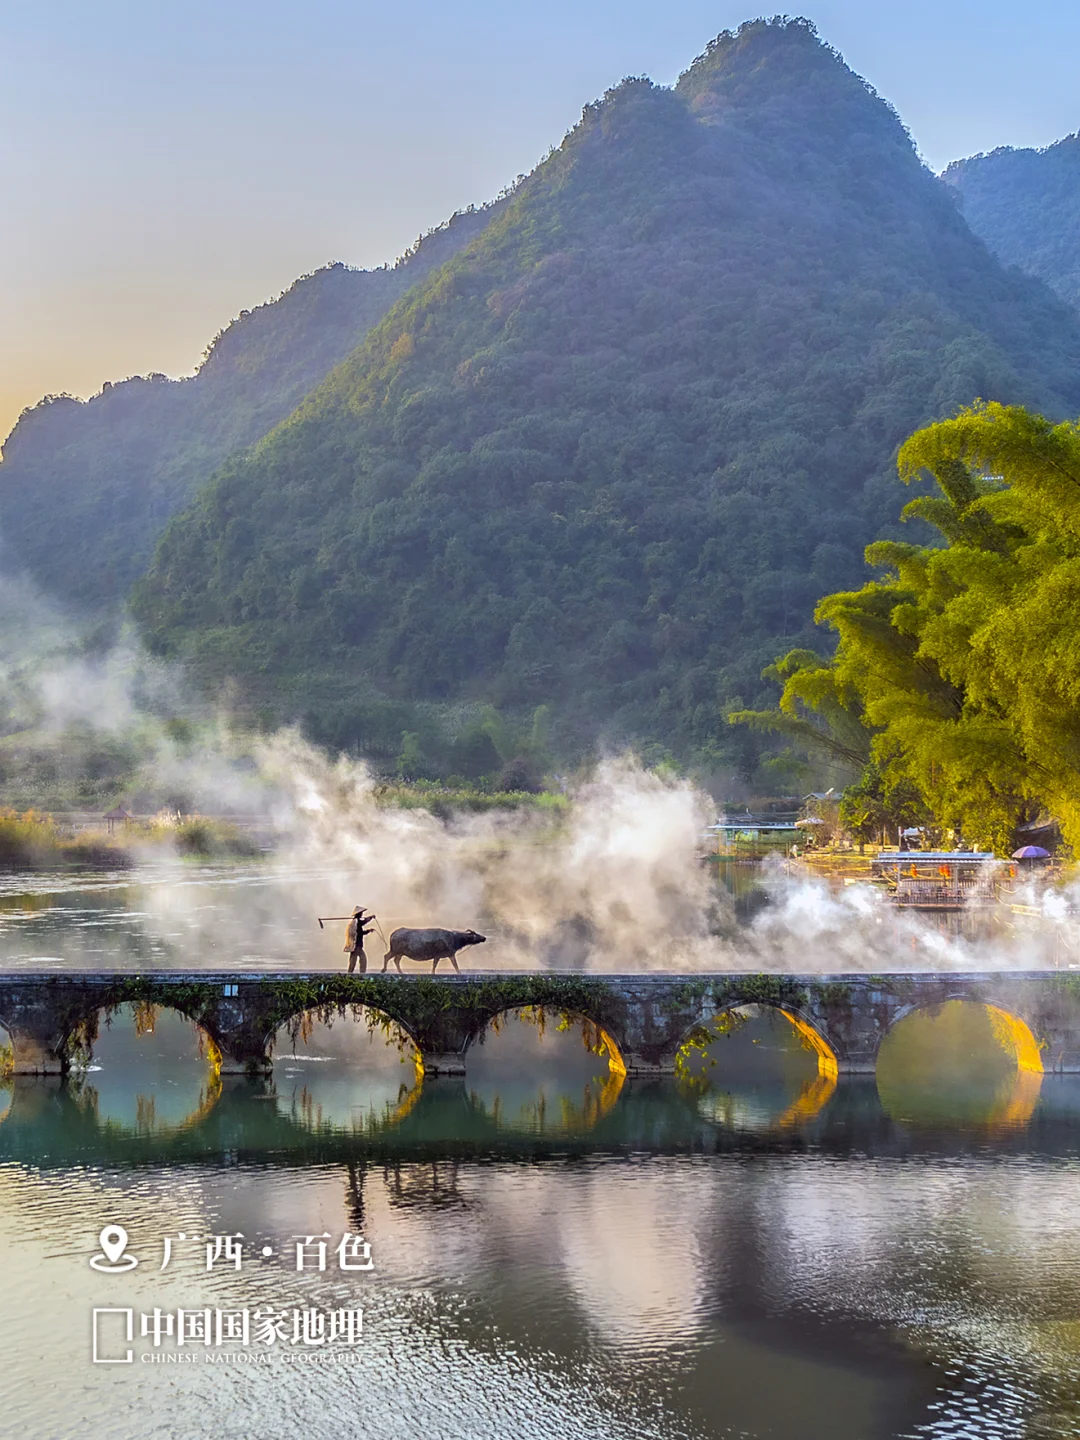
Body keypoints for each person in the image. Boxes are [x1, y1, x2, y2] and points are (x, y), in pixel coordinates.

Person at [344, 907, 376, 974]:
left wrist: (368, 930)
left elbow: (360, 932)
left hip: (358, 945)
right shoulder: (355, 922)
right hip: (356, 945)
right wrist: (370, 917)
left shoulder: (356, 923)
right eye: (361, 913)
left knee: (362, 959)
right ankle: (350, 974)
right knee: (353, 961)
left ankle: (361, 973)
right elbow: (363, 923)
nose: (362, 914)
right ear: (359, 914)